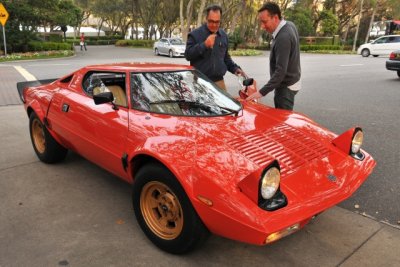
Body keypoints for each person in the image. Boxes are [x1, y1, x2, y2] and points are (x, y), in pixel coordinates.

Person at [246, 2, 301, 111]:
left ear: (275, 18)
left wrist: (261, 92)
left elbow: (280, 72)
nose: (262, 26)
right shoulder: (289, 24)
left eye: (264, 22)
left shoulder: (283, 37)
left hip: (286, 86)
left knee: (282, 119)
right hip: (292, 80)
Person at [185, 4, 245, 91]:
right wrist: (204, 45)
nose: (214, 25)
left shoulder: (223, 35)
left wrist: (235, 69)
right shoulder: (195, 34)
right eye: (211, 21)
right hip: (200, 81)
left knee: (225, 104)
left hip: (219, 82)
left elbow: (225, 58)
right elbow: (188, 55)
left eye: (217, 22)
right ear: (206, 19)